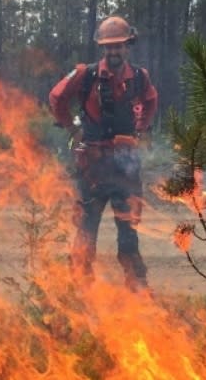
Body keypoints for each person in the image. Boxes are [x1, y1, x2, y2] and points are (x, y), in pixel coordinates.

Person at [49, 16, 158, 292]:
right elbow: (56, 97)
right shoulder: (86, 75)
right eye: (108, 47)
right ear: (102, 48)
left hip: (126, 167)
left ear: (127, 46)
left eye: (118, 46)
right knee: (86, 228)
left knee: (129, 230)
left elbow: (151, 100)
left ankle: (137, 287)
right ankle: (80, 287)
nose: (113, 52)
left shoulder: (140, 77)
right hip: (93, 166)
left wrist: (142, 127)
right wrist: (71, 127)